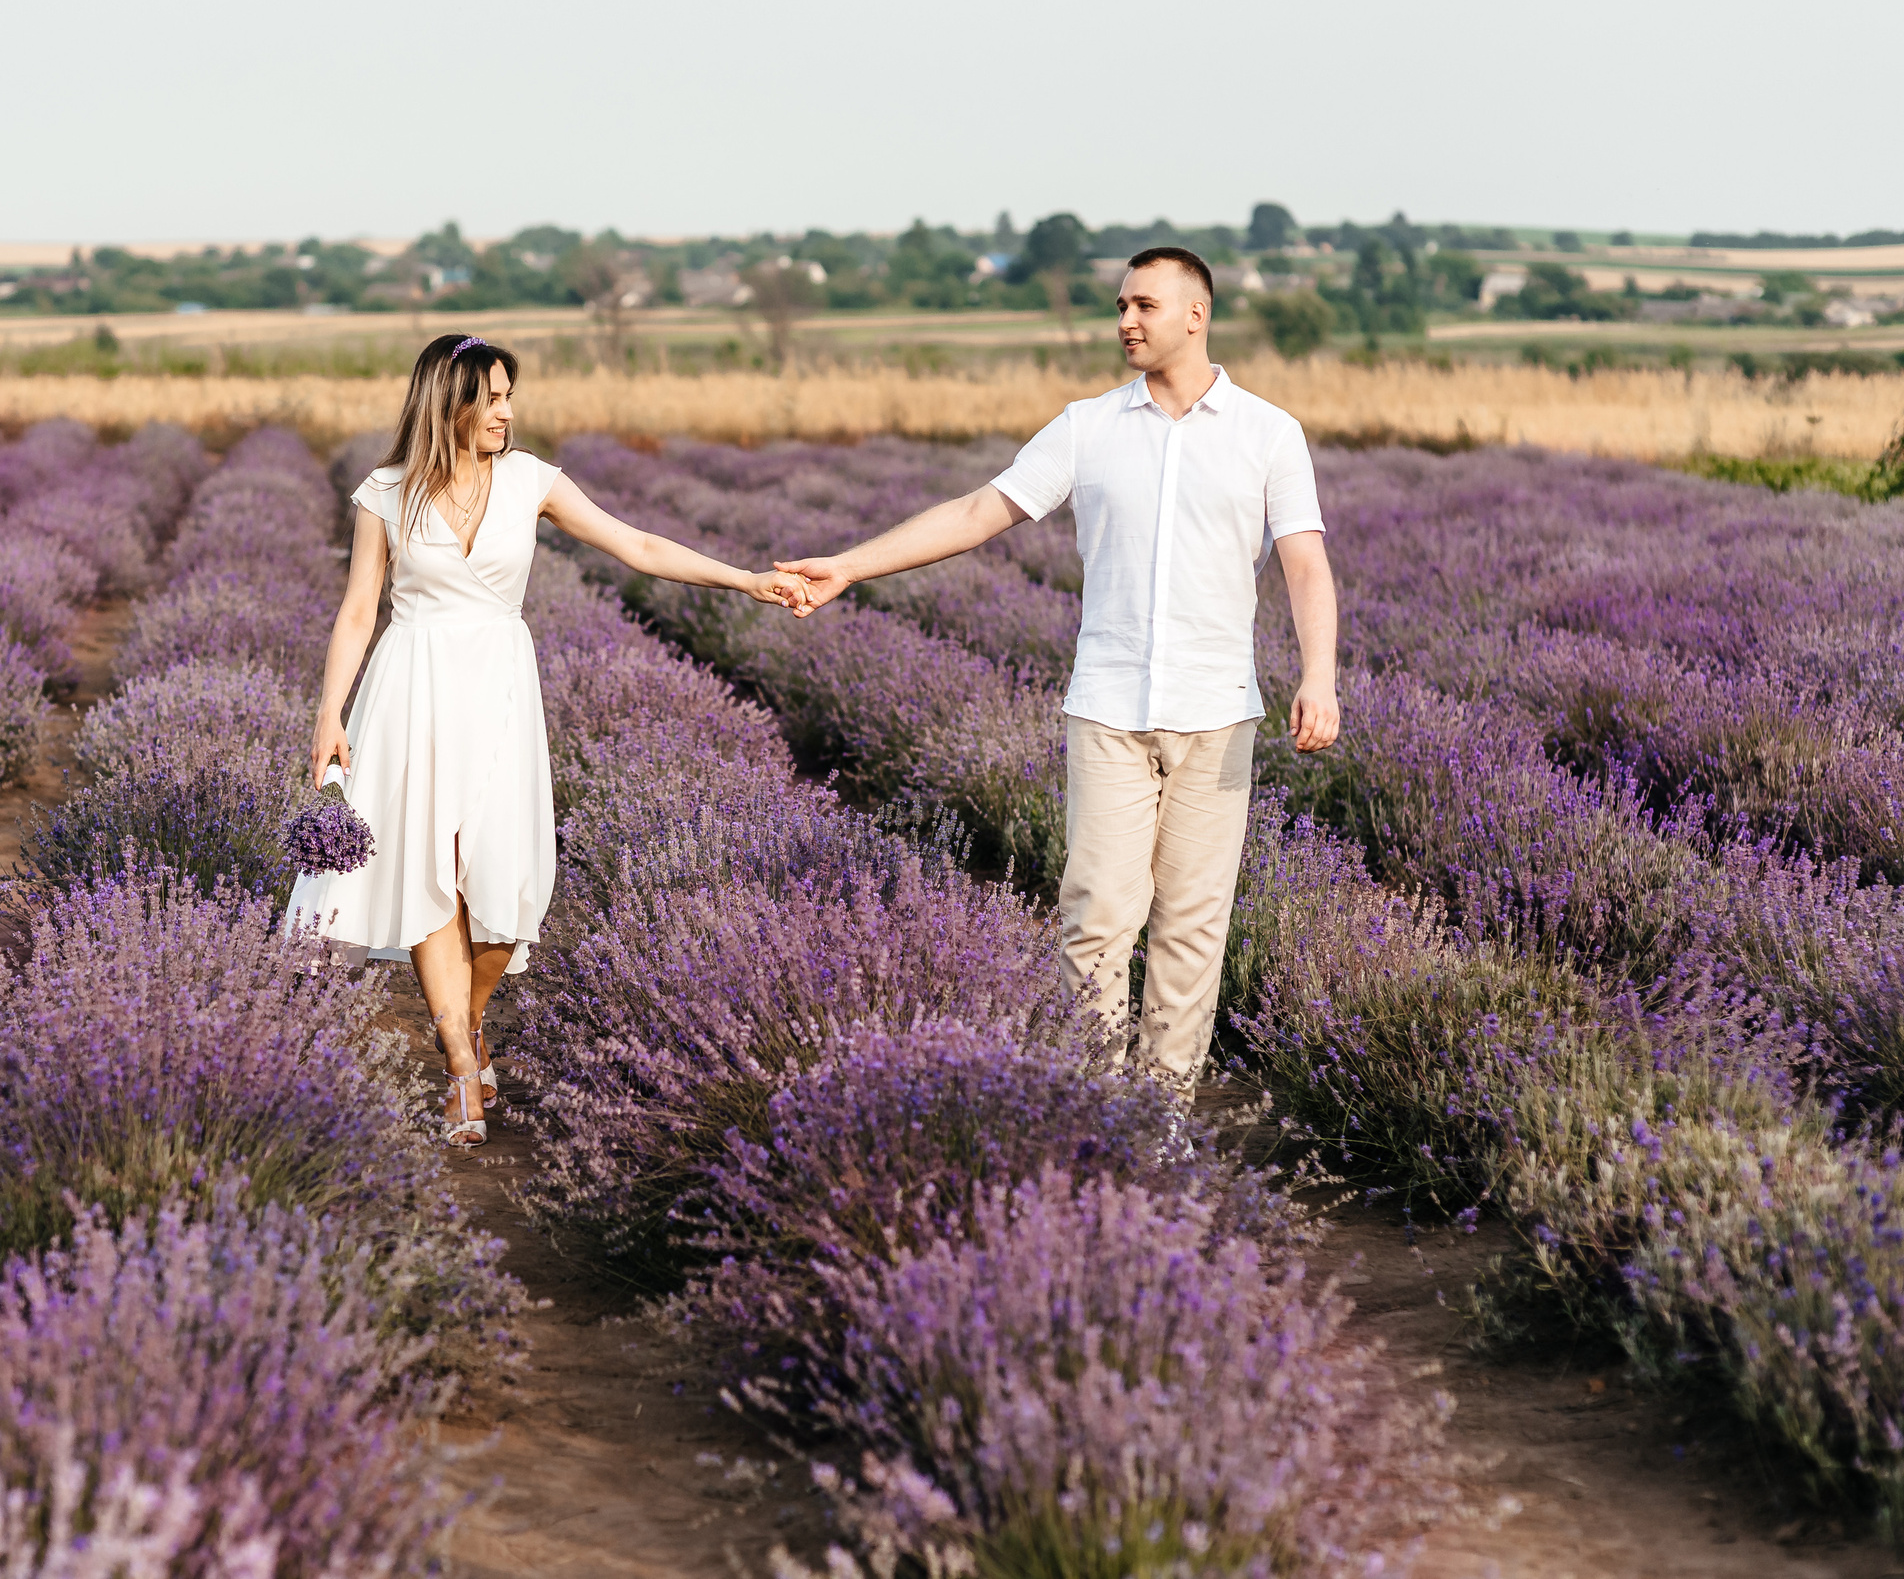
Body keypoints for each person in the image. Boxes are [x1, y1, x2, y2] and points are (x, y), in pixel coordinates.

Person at [774, 246, 1340, 1099]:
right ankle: (1094, 1104)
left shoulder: (1269, 433)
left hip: (1218, 712)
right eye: (1120, 305)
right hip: (1108, 707)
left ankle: (1165, 1114)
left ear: (1196, 314)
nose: (1124, 321)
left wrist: (1319, 676)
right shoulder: (1088, 425)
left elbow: (1304, 562)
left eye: (1143, 305)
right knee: (1096, 921)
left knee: (1192, 929)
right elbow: (978, 511)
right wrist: (851, 566)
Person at [295, 332, 804, 1144]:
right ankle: (462, 1065)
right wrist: (330, 712)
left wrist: (746, 580)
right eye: (492, 396)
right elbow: (359, 610)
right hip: (410, 689)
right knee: (430, 874)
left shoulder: (532, 479)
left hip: (498, 689)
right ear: (449, 402)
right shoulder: (384, 493)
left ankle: (464, 1021)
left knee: (507, 888)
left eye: (508, 396)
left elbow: (635, 545)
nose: (507, 410)